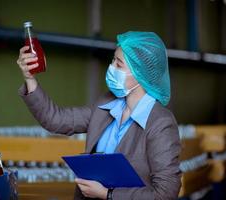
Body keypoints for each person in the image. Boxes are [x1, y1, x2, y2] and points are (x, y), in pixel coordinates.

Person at [17, 31, 181, 200]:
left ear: (140, 74)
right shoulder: (106, 104)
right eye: (113, 60)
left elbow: (165, 194)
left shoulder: (160, 123)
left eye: (119, 64)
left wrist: (107, 194)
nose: (111, 67)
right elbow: (56, 120)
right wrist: (29, 78)